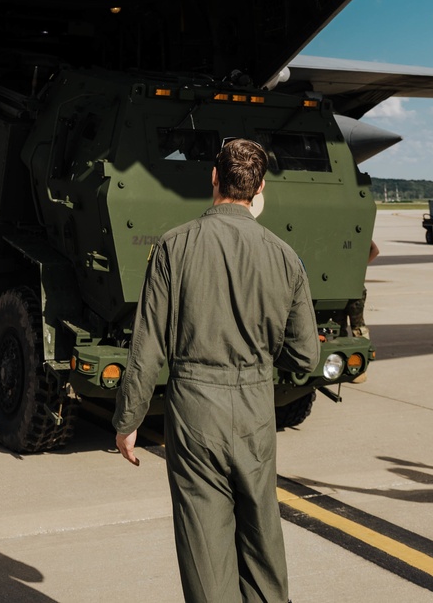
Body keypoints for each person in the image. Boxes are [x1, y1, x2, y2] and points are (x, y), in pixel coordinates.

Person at [114, 138, 319, 603]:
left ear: (213, 178)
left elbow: (148, 348)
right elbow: (306, 357)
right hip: (255, 412)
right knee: (263, 546)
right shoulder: (284, 256)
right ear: (260, 188)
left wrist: (128, 421)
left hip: (195, 413)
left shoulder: (173, 246)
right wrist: (262, 361)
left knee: (206, 555)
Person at [345, 238, 379, 384]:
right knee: (340, 328)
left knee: (357, 327)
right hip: (346, 286)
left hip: (353, 287)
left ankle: (361, 367)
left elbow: (375, 250)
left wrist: (360, 268)